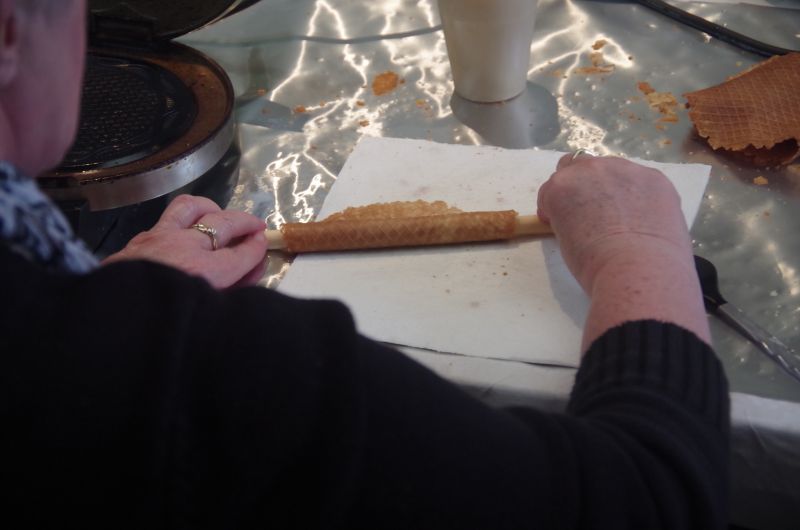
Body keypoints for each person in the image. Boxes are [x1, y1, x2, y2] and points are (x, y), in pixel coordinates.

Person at [0, 1, 728, 529]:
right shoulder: (201, 373)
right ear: (8, 33)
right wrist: (638, 246)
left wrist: (113, 296)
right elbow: (645, 499)